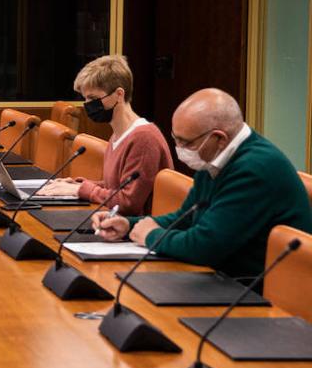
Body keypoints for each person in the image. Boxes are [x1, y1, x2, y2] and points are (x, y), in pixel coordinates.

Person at [93, 88, 312, 279]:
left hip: (253, 290)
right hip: (222, 276)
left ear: (220, 138)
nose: (179, 149)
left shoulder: (255, 169)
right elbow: (187, 217)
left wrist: (151, 236)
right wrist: (128, 225)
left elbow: (206, 246)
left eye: (185, 142)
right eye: (175, 138)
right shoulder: (216, 158)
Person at [40, 55, 172, 215]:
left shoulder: (144, 139)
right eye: (86, 98)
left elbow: (128, 202)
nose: (88, 105)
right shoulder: (118, 134)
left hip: (134, 232)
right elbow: (117, 186)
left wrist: (82, 190)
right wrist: (78, 185)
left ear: (119, 94)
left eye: (93, 98)